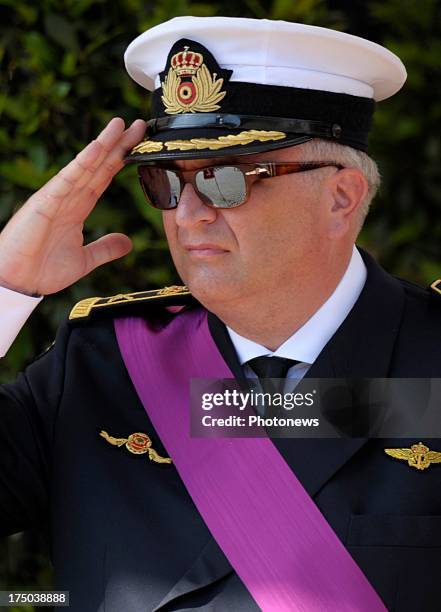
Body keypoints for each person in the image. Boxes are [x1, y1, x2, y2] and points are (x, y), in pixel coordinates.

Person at [1, 15, 441, 612]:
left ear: (341, 197)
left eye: (228, 179)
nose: (188, 216)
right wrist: (6, 287)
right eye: (167, 183)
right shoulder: (100, 367)